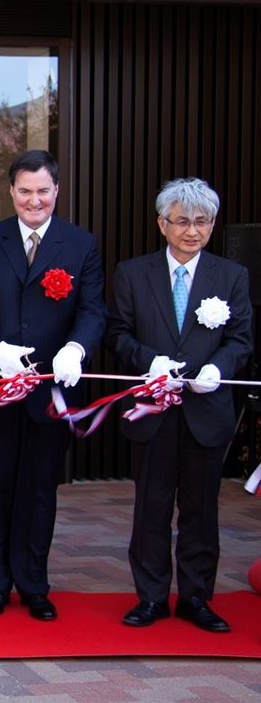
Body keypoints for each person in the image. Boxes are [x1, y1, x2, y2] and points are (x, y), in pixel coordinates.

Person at [0, 149, 105, 621]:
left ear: (56, 190)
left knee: (39, 488)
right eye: (24, 191)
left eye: (42, 191)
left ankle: (33, 583)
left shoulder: (81, 245)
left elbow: (93, 311)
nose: (34, 200)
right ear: (11, 191)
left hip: (50, 393)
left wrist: (75, 349)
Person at [107, 178, 252, 633]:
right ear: (162, 224)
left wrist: (218, 369)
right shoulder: (133, 273)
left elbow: (240, 339)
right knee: (151, 506)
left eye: (202, 221)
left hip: (206, 412)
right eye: (183, 221)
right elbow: (117, 334)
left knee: (200, 509)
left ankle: (195, 597)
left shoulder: (231, 276)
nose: (193, 231)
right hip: (153, 409)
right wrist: (150, 361)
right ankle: (151, 596)